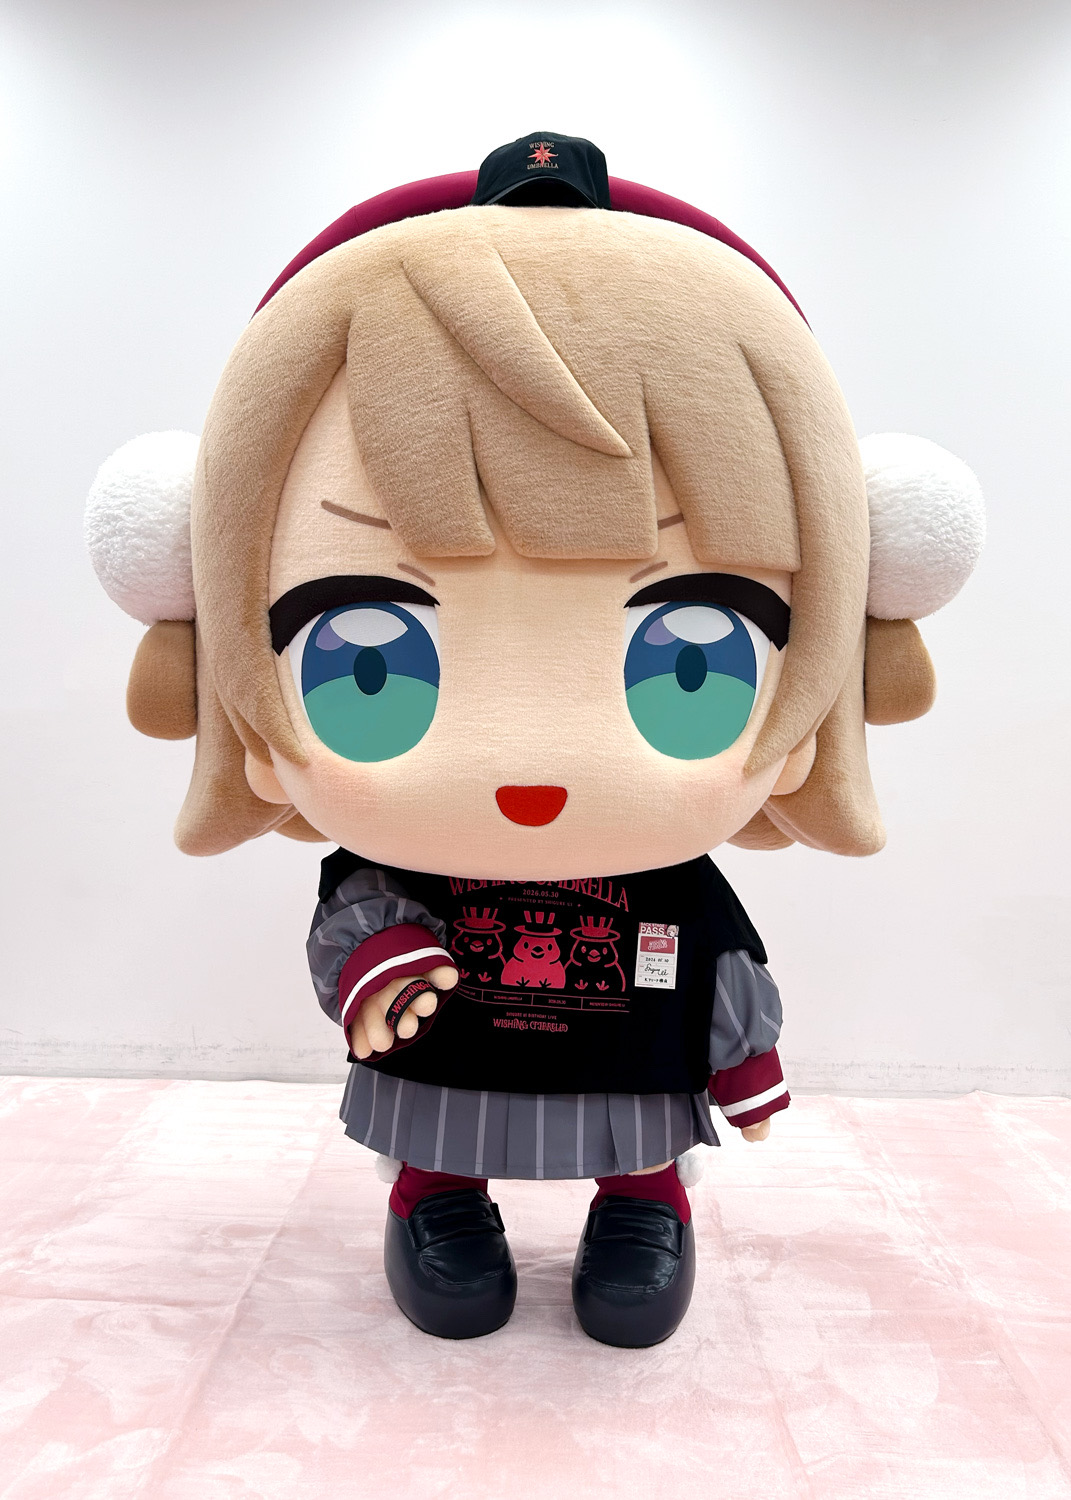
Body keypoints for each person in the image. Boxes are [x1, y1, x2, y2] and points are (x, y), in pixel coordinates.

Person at [85, 133, 984, 1347]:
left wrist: (743, 1058)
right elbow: (353, 915)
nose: (533, 768)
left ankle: (646, 1205)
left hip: (631, 1049)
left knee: (641, 1129)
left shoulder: (665, 875)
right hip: (448, 1054)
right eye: (370, 661)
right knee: (438, 1121)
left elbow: (720, 958)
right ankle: (436, 1198)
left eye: (692, 660)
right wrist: (373, 961)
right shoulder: (397, 864)